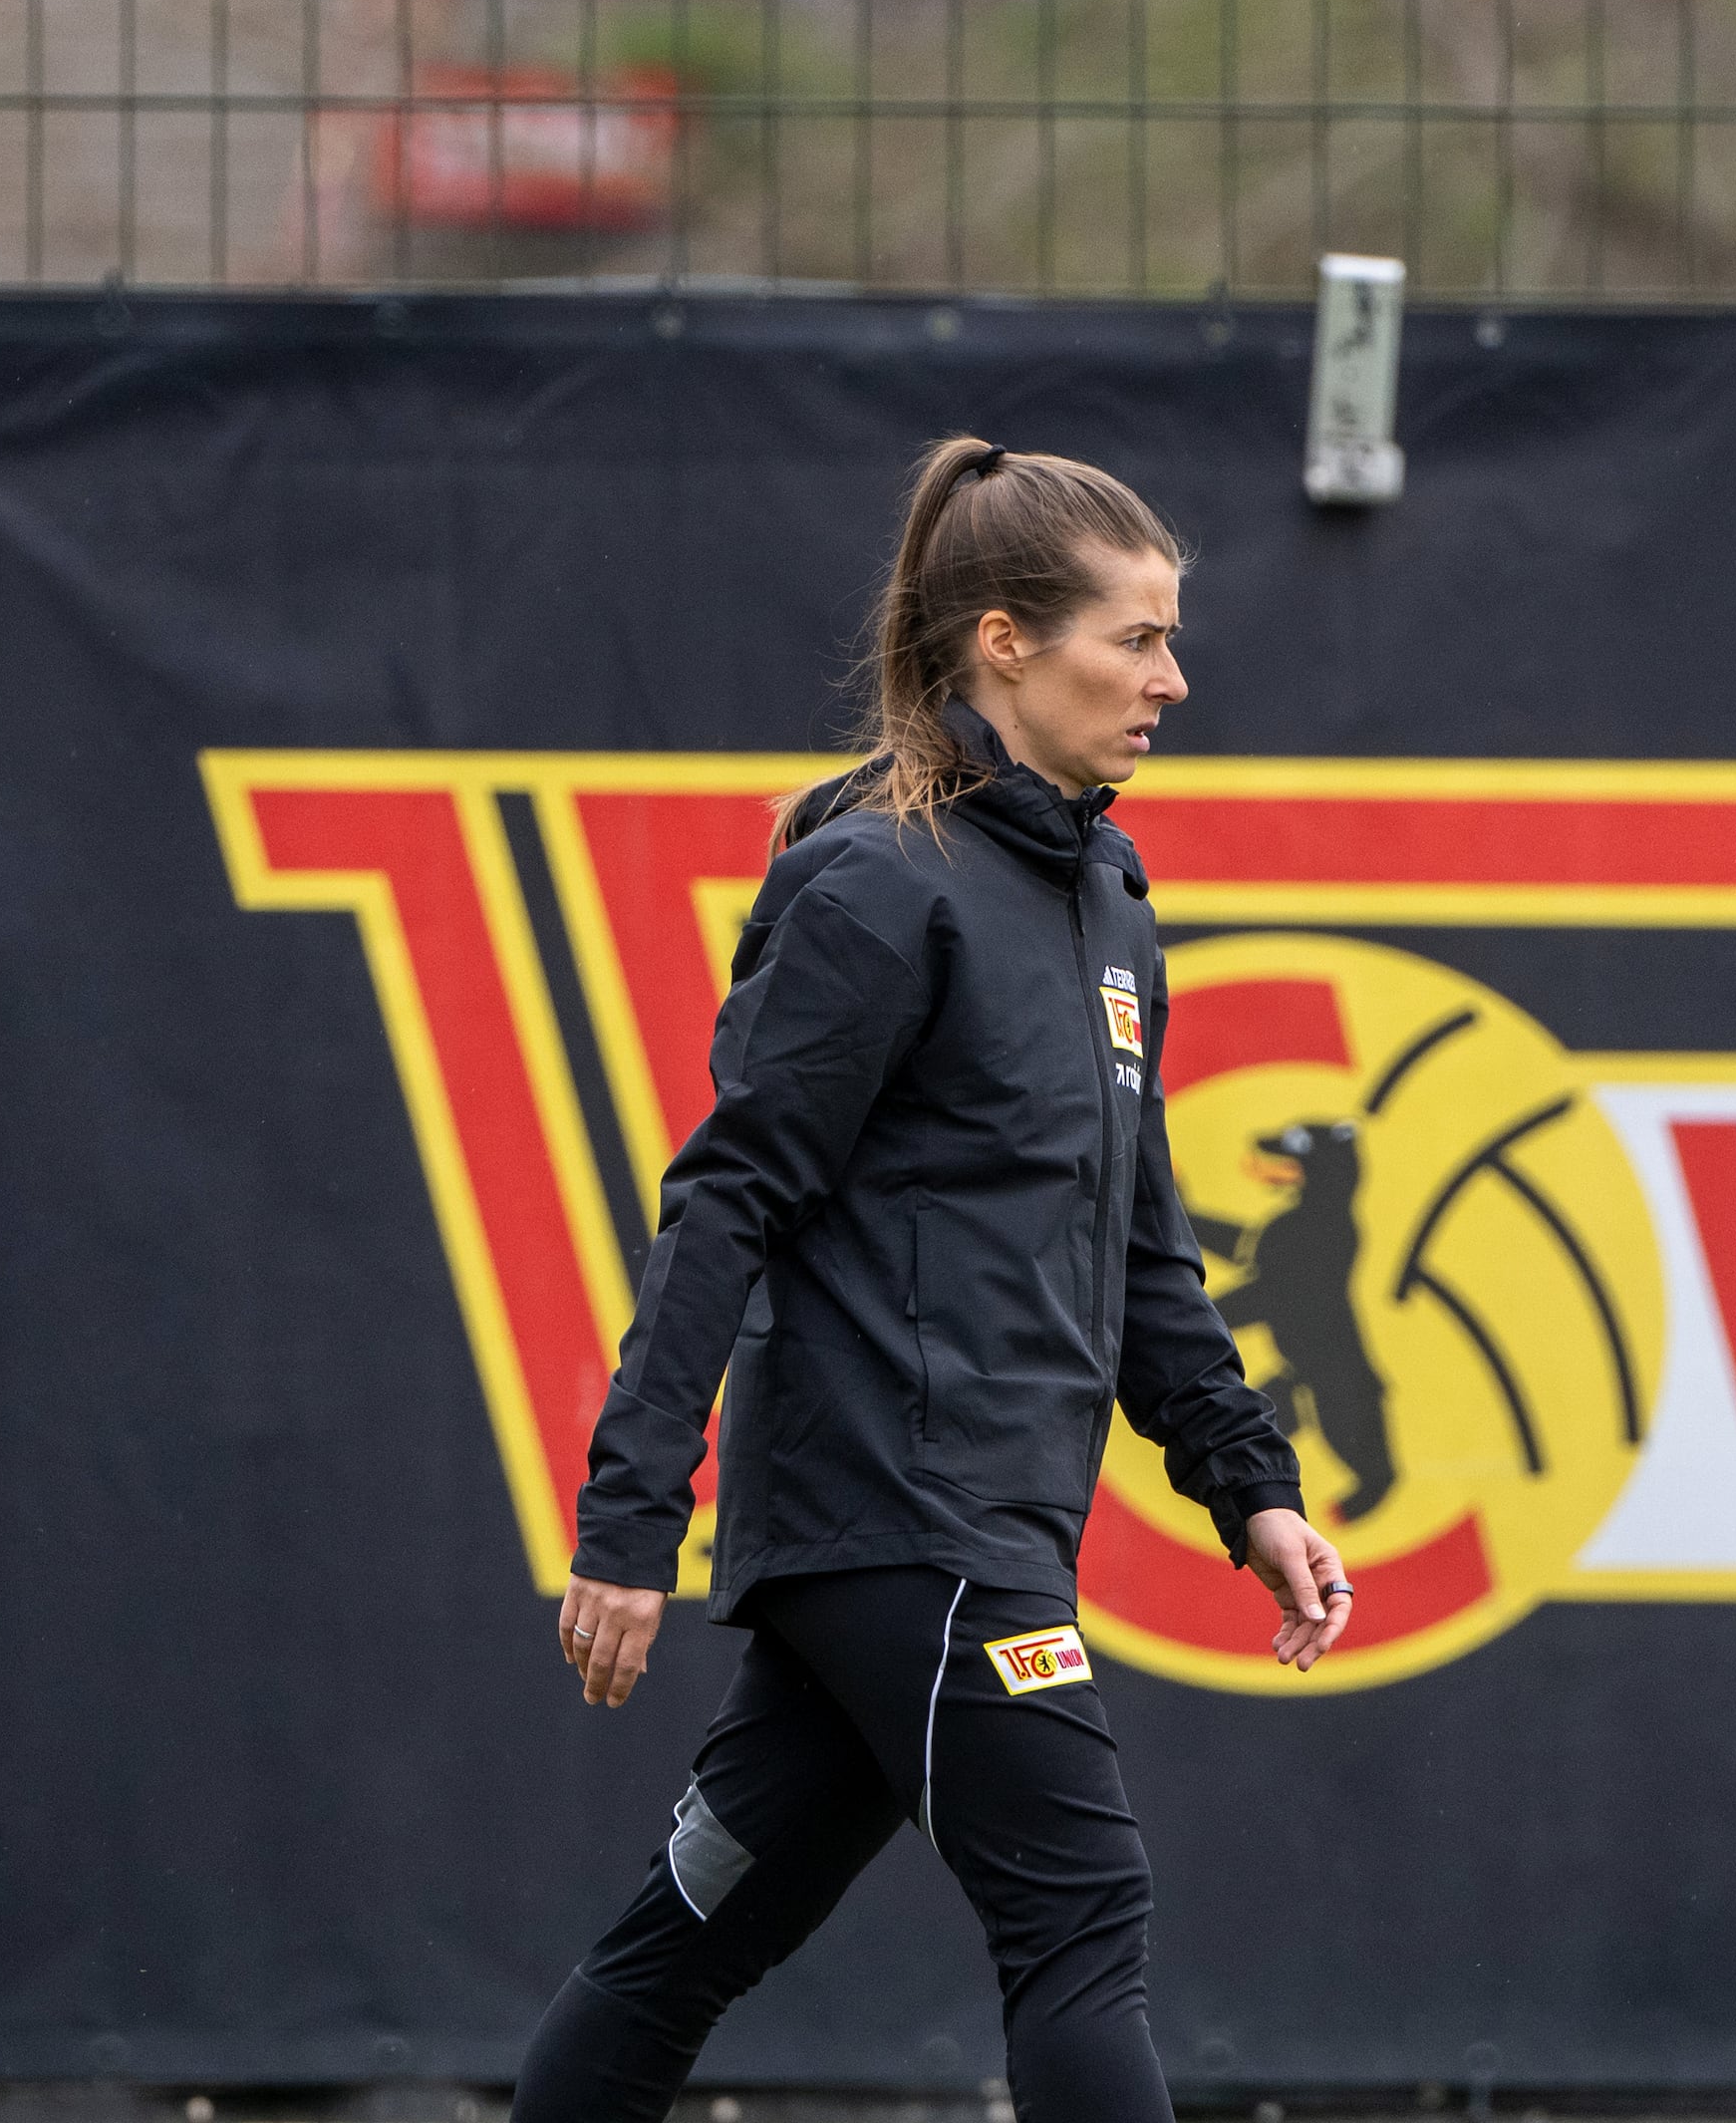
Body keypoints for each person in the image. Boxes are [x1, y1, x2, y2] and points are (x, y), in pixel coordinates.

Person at [514, 438, 1350, 2123]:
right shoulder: (876, 885)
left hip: (935, 1539)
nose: (1172, 680)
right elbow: (724, 1204)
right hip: (912, 1518)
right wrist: (628, 1519)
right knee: (1082, 1911)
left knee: (684, 1942)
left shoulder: (1109, 906)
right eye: (1137, 640)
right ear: (1002, 642)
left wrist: (1249, 1487)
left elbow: (1143, 1255)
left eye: (1173, 639)